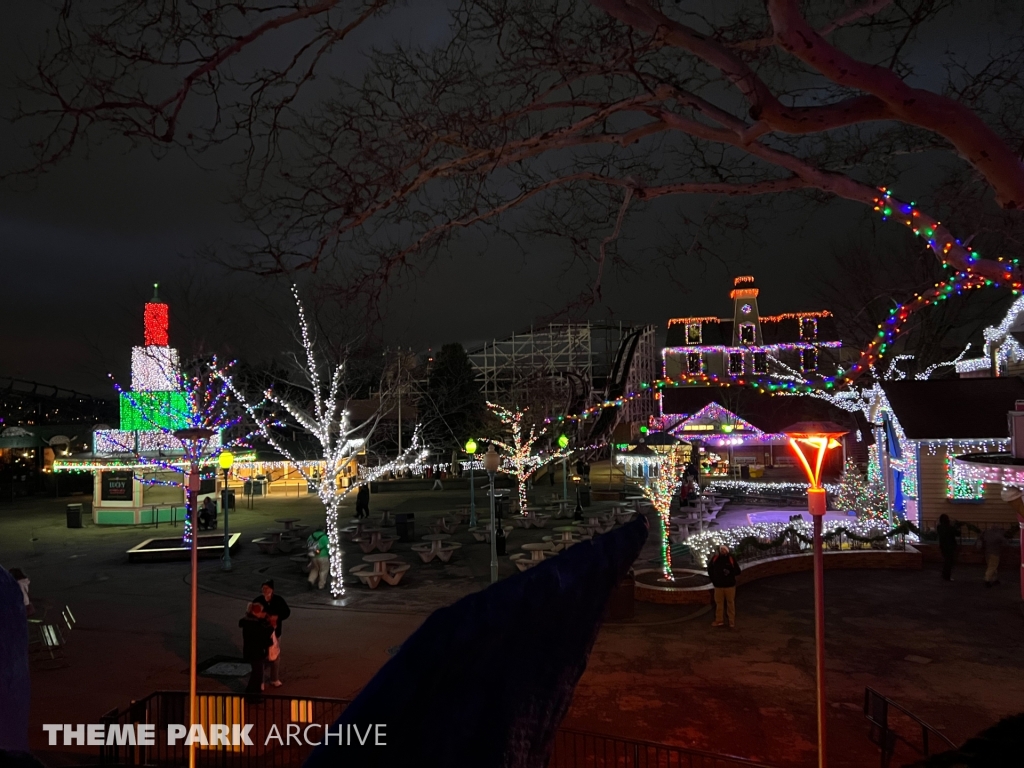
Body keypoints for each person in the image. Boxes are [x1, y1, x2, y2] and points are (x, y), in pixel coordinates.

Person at [239, 602, 273, 693]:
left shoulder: (249, 622)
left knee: (257, 673)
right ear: (256, 612)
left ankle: (253, 692)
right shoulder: (255, 625)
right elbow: (264, 636)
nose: (263, 613)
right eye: (261, 611)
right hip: (255, 652)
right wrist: (270, 624)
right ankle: (252, 694)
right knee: (257, 674)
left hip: (251, 651)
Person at [708, 545, 741, 629]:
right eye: (721, 549)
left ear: (727, 550)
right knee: (719, 604)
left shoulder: (731, 559)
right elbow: (710, 569)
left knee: (730, 603)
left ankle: (731, 621)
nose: (723, 551)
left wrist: (730, 572)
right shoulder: (715, 558)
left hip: (729, 586)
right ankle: (719, 620)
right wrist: (714, 580)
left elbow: (738, 571)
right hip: (718, 586)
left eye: (724, 549)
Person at [936, 514, 957, 582]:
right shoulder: (950, 527)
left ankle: (944, 574)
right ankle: (947, 576)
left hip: (943, 545)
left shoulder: (939, 527)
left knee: (946, 560)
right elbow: (955, 534)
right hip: (950, 545)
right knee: (949, 561)